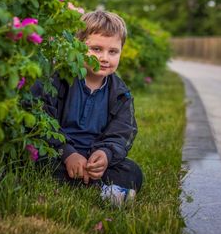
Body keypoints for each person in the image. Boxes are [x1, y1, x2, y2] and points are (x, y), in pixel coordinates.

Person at [31, 10, 143, 205]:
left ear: (121, 52)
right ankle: (94, 183)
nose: (105, 58)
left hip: (94, 158)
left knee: (132, 171)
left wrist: (105, 155)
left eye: (113, 51)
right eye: (96, 49)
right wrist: (67, 154)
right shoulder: (59, 80)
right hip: (59, 154)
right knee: (36, 160)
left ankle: (98, 181)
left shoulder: (120, 94)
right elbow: (43, 119)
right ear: (78, 47)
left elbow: (122, 132)